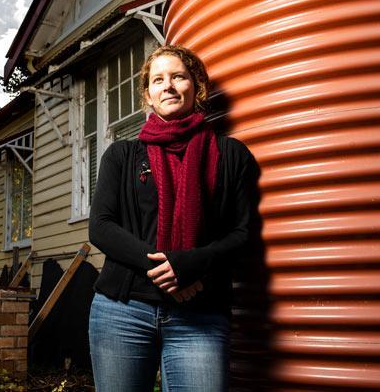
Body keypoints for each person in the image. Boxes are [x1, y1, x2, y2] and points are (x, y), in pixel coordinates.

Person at [87, 44, 260, 392]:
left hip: (200, 314)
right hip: (122, 311)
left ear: (196, 87)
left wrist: (191, 264)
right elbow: (102, 227)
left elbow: (243, 234)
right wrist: (168, 270)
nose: (168, 86)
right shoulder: (121, 155)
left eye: (178, 77)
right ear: (148, 95)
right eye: (158, 80)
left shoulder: (231, 155)